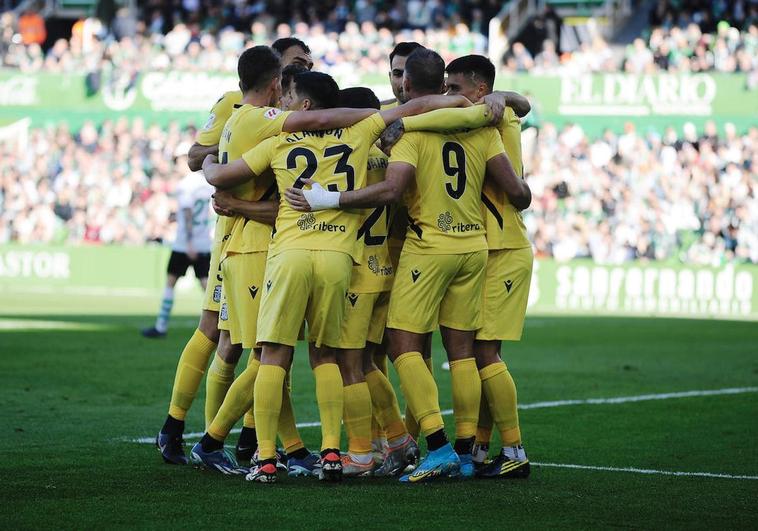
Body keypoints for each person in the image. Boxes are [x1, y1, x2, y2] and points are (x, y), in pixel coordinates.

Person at [201, 70, 482, 483]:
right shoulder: (367, 137)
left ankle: (276, 456)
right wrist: (467, 101)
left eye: (293, 96)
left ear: (310, 106)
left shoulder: (277, 138)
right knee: (341, 357)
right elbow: (414, 108)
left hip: (301, 257)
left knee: (275, 354)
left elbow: (221, 177)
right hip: (350, 260)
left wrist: (209, 162)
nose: (288, 102)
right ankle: (340, 450)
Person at [284, 48, 531, 483]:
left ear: (408, 87)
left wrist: (328, 198)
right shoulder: (485, 124)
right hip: (474, 246)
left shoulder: (407, 133)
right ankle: (469, 450)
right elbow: (520, 188)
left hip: (427, 247)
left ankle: (425, 446)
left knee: (397, 349)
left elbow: (392, 190)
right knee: (466, 353)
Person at [445, 54, 533, 478]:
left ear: (480, 90)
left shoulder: (494, 120)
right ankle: (481, 447)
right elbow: (522, 101)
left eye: (455, 88)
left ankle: (514, 451)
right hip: (484, 247)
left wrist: (503, 97)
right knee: (479, 351)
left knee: (484, 351)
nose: (448, 97)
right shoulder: (493, 110)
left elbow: (517, 193)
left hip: (505, 247)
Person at [142, 153, 213, 338]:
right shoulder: (207, 183)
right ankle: (219, 327)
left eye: (179, 161)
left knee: (171, 282)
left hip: (185, 243)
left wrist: (189, 241)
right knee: (207, 285)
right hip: (204, 241)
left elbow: (189, 212)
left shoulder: (185, 185)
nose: (177, 165)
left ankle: (161, 326)